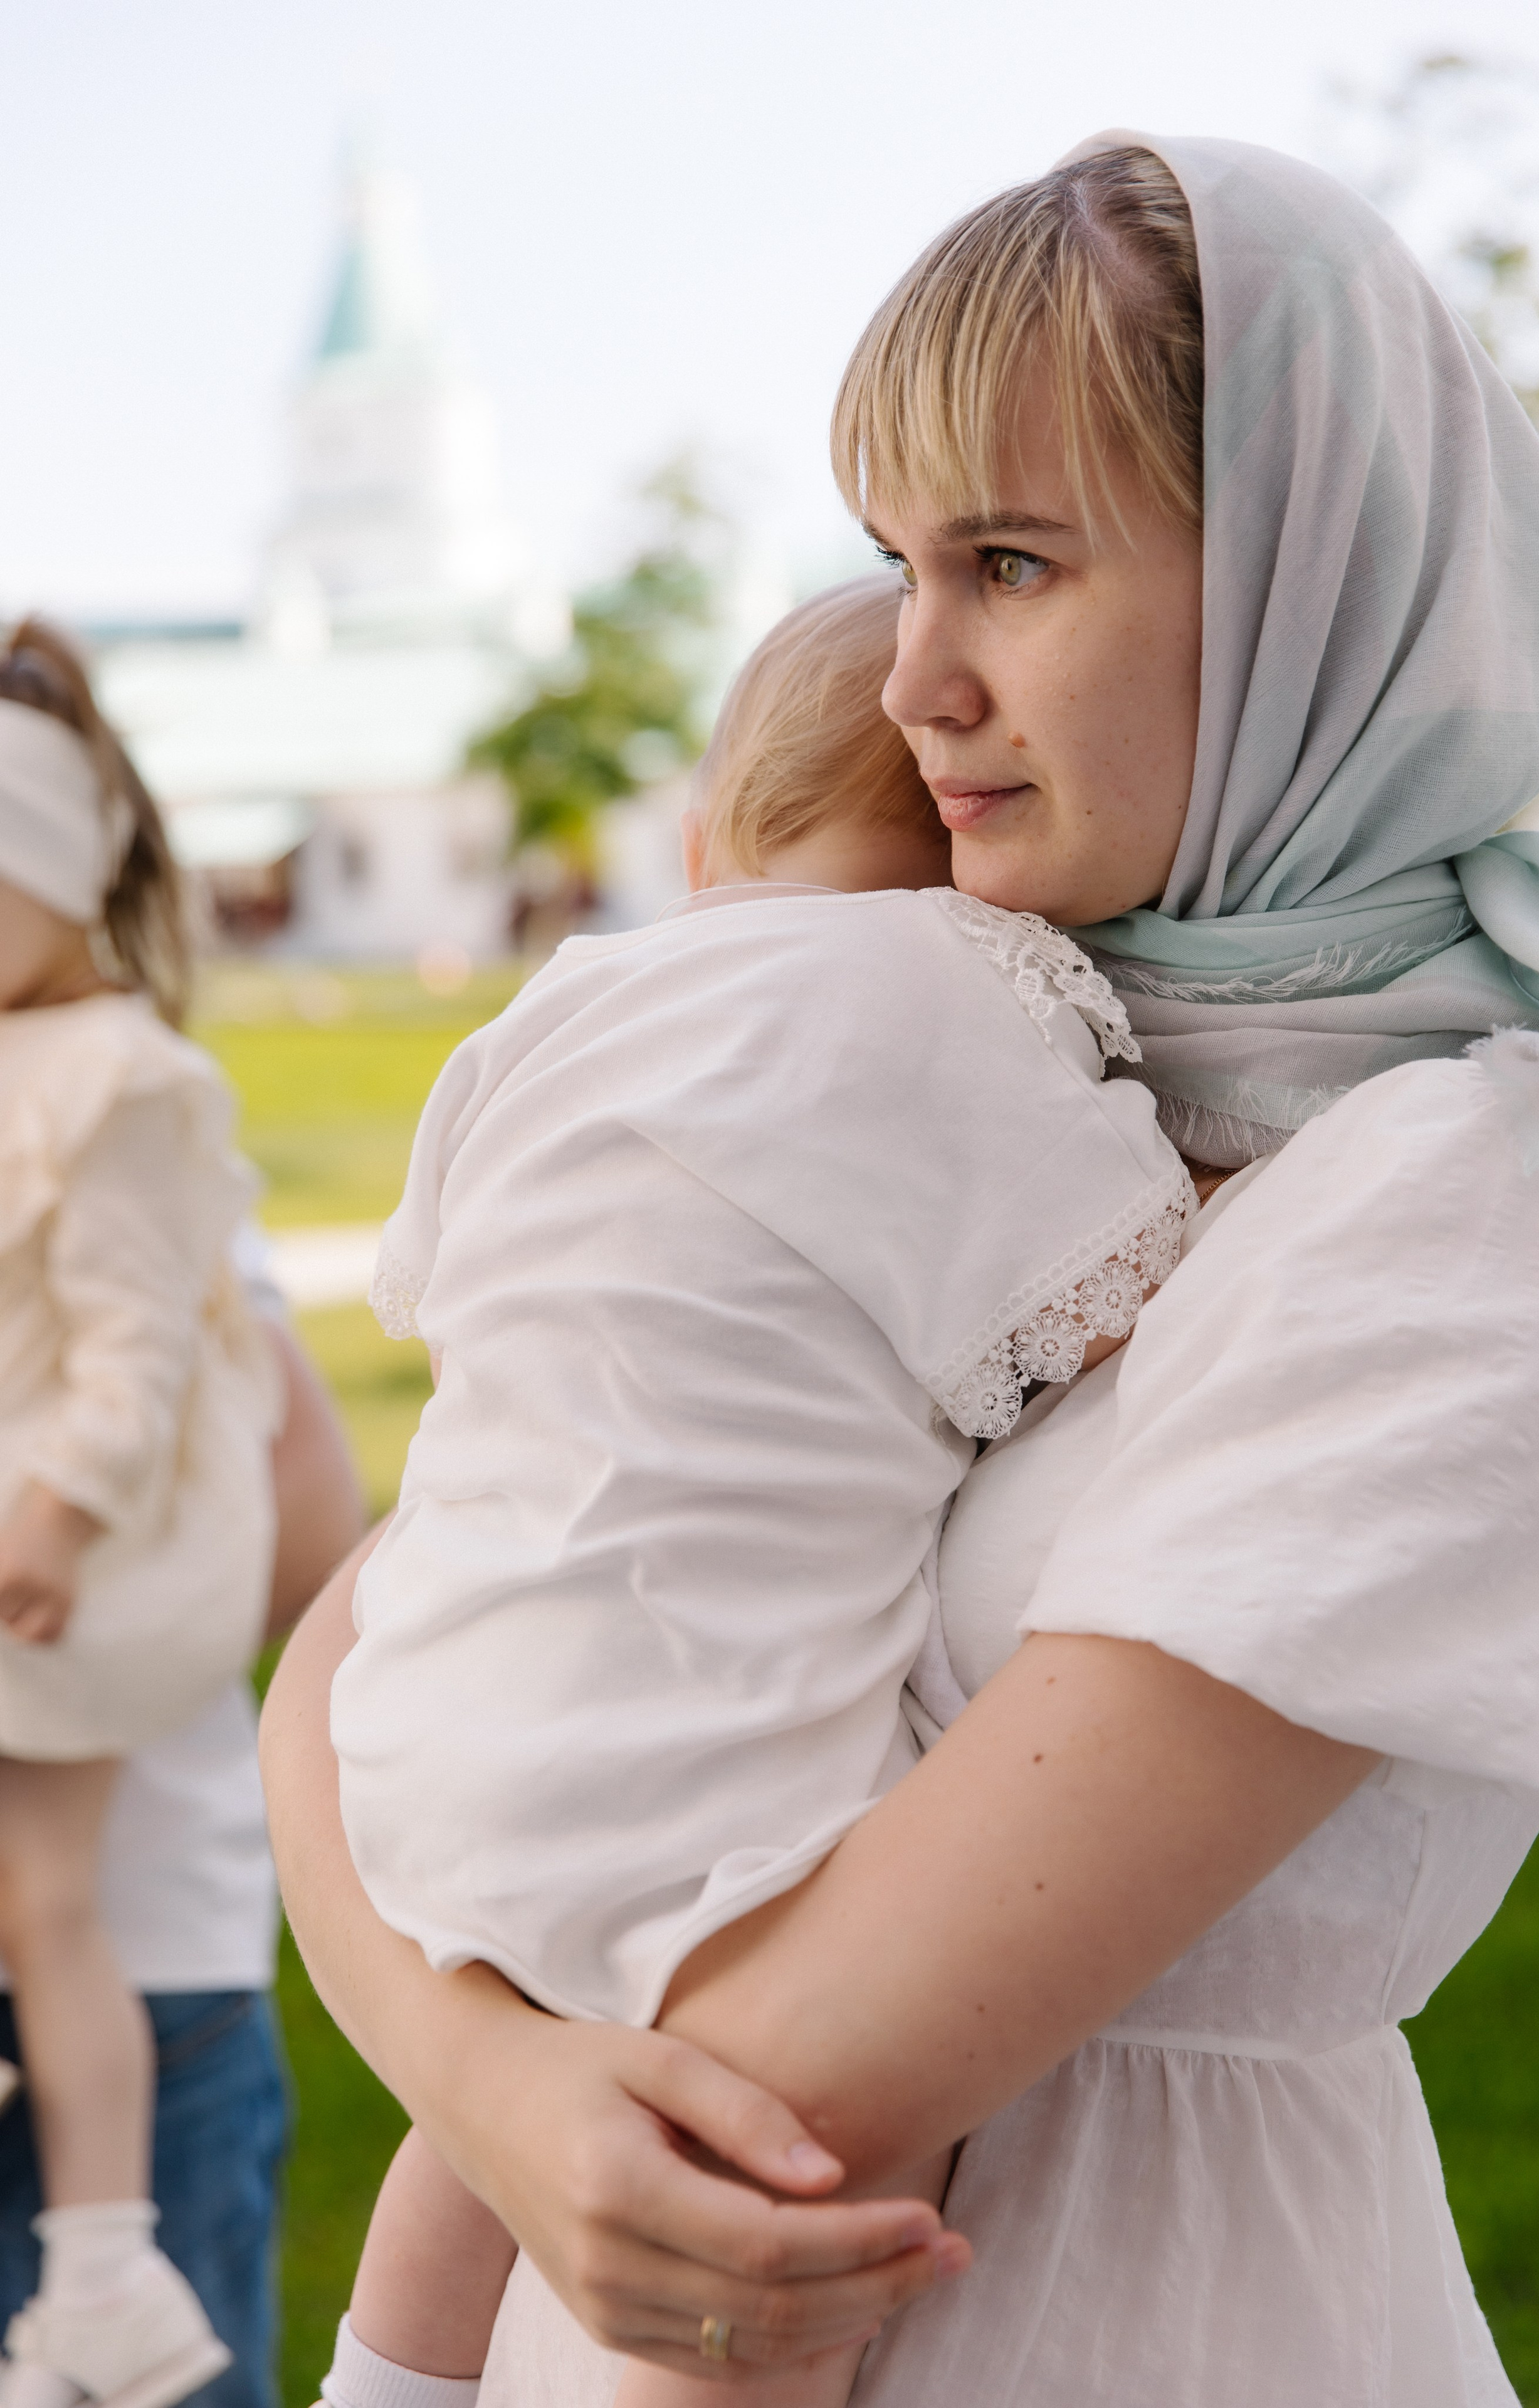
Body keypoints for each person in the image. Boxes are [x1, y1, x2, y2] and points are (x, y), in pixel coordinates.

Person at [260, 134, 1539, 2406]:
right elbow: (375, 1627)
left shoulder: (1490, 1193)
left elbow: (796, 2091)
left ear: (1313, 590)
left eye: (1011, 563)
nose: (909, 679)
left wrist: (486, 2068)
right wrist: (496, 2090)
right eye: (896, 567)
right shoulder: (931, 1040)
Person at [314, 574, 1190, 2408]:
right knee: (804, 2156)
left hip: (426, 1712)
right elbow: (1121, 1303)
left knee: (491, 2114)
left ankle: (388, 2383)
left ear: (705, 843)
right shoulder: (961, 992)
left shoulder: (566, 1003)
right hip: (689, 1764)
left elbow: (445, 1293)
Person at [0, 623, 285, 2408]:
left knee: (48, 1904)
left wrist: (60, 1513)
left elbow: (140, 1351)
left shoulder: (123, 1081)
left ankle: (104, 2272)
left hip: (58, 1576)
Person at [0, 1241, 367, 2408]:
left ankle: (104, 2288)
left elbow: (312, 1520)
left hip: (142, 1966)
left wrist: (68, 1632)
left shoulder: (110, 1202)